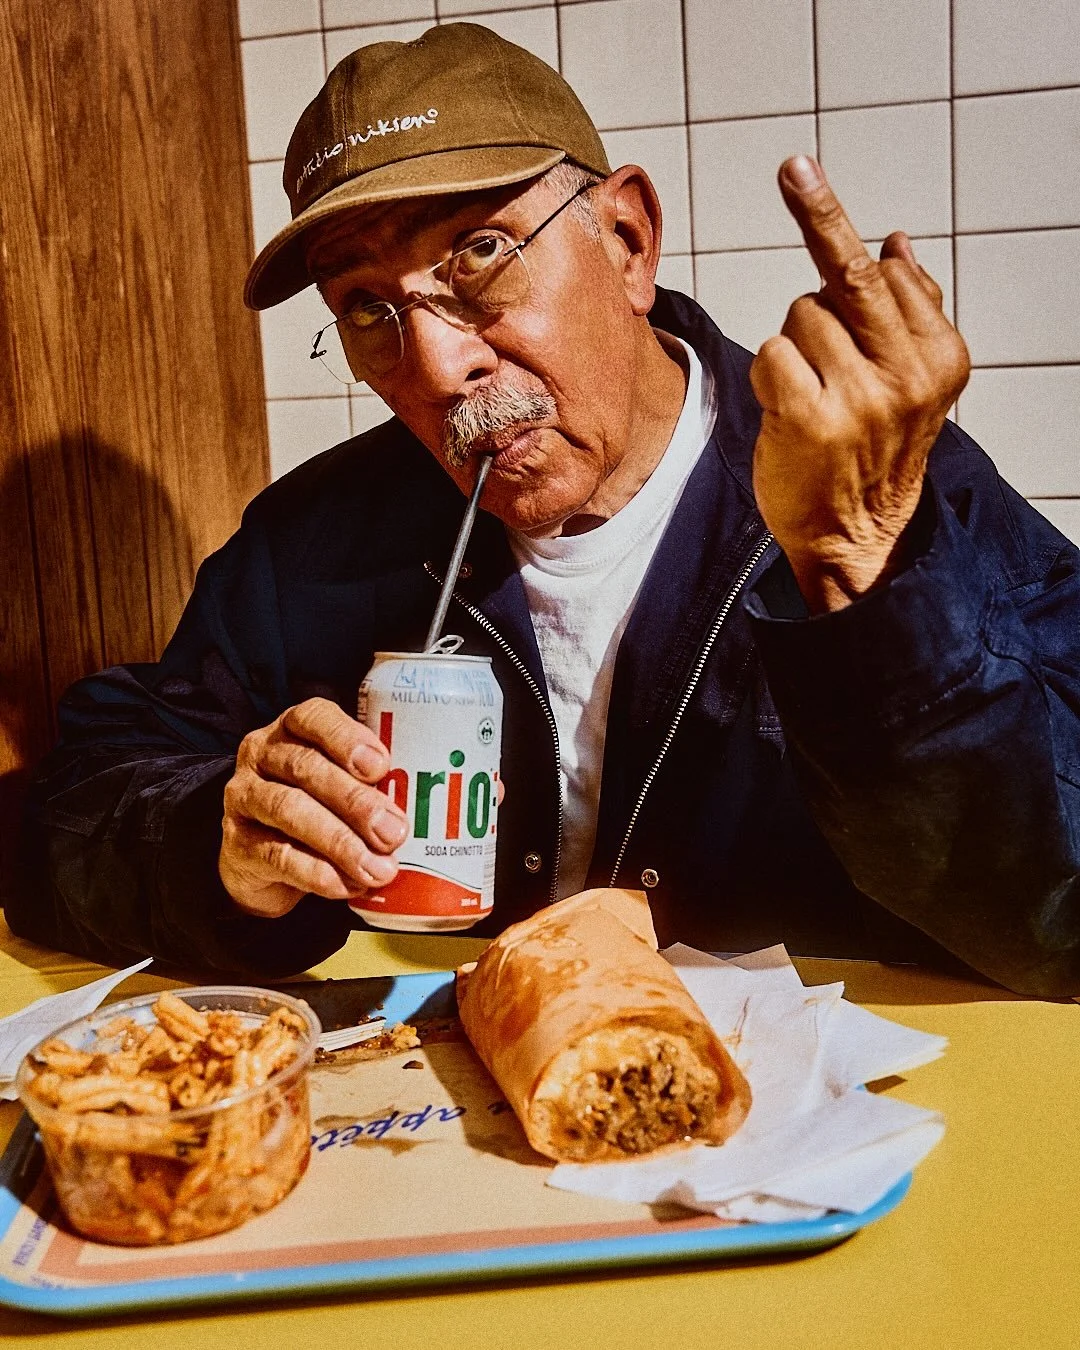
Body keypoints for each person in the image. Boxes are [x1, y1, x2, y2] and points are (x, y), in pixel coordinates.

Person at [15, 23, 1080, 996]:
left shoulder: (875, 486)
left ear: (626, 239)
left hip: (811, 1130)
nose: (435, 367)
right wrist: (221, 846)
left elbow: (1053, 917)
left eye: (480, 251)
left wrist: (859, 572)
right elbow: (69, 807)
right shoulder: (320, 540)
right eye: (366, 309)